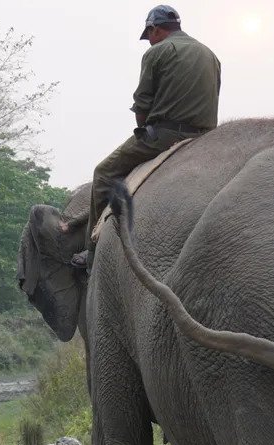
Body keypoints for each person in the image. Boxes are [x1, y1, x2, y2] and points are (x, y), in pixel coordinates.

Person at [74, 4, 222, 269]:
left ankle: (91, 253)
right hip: (206, 137)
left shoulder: (158, 52)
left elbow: (142, 106)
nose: (149, 40)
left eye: (149, 34)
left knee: (103, 172)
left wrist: (146, 124)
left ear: (155, 29)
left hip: (166, 136)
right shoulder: (210, 54)